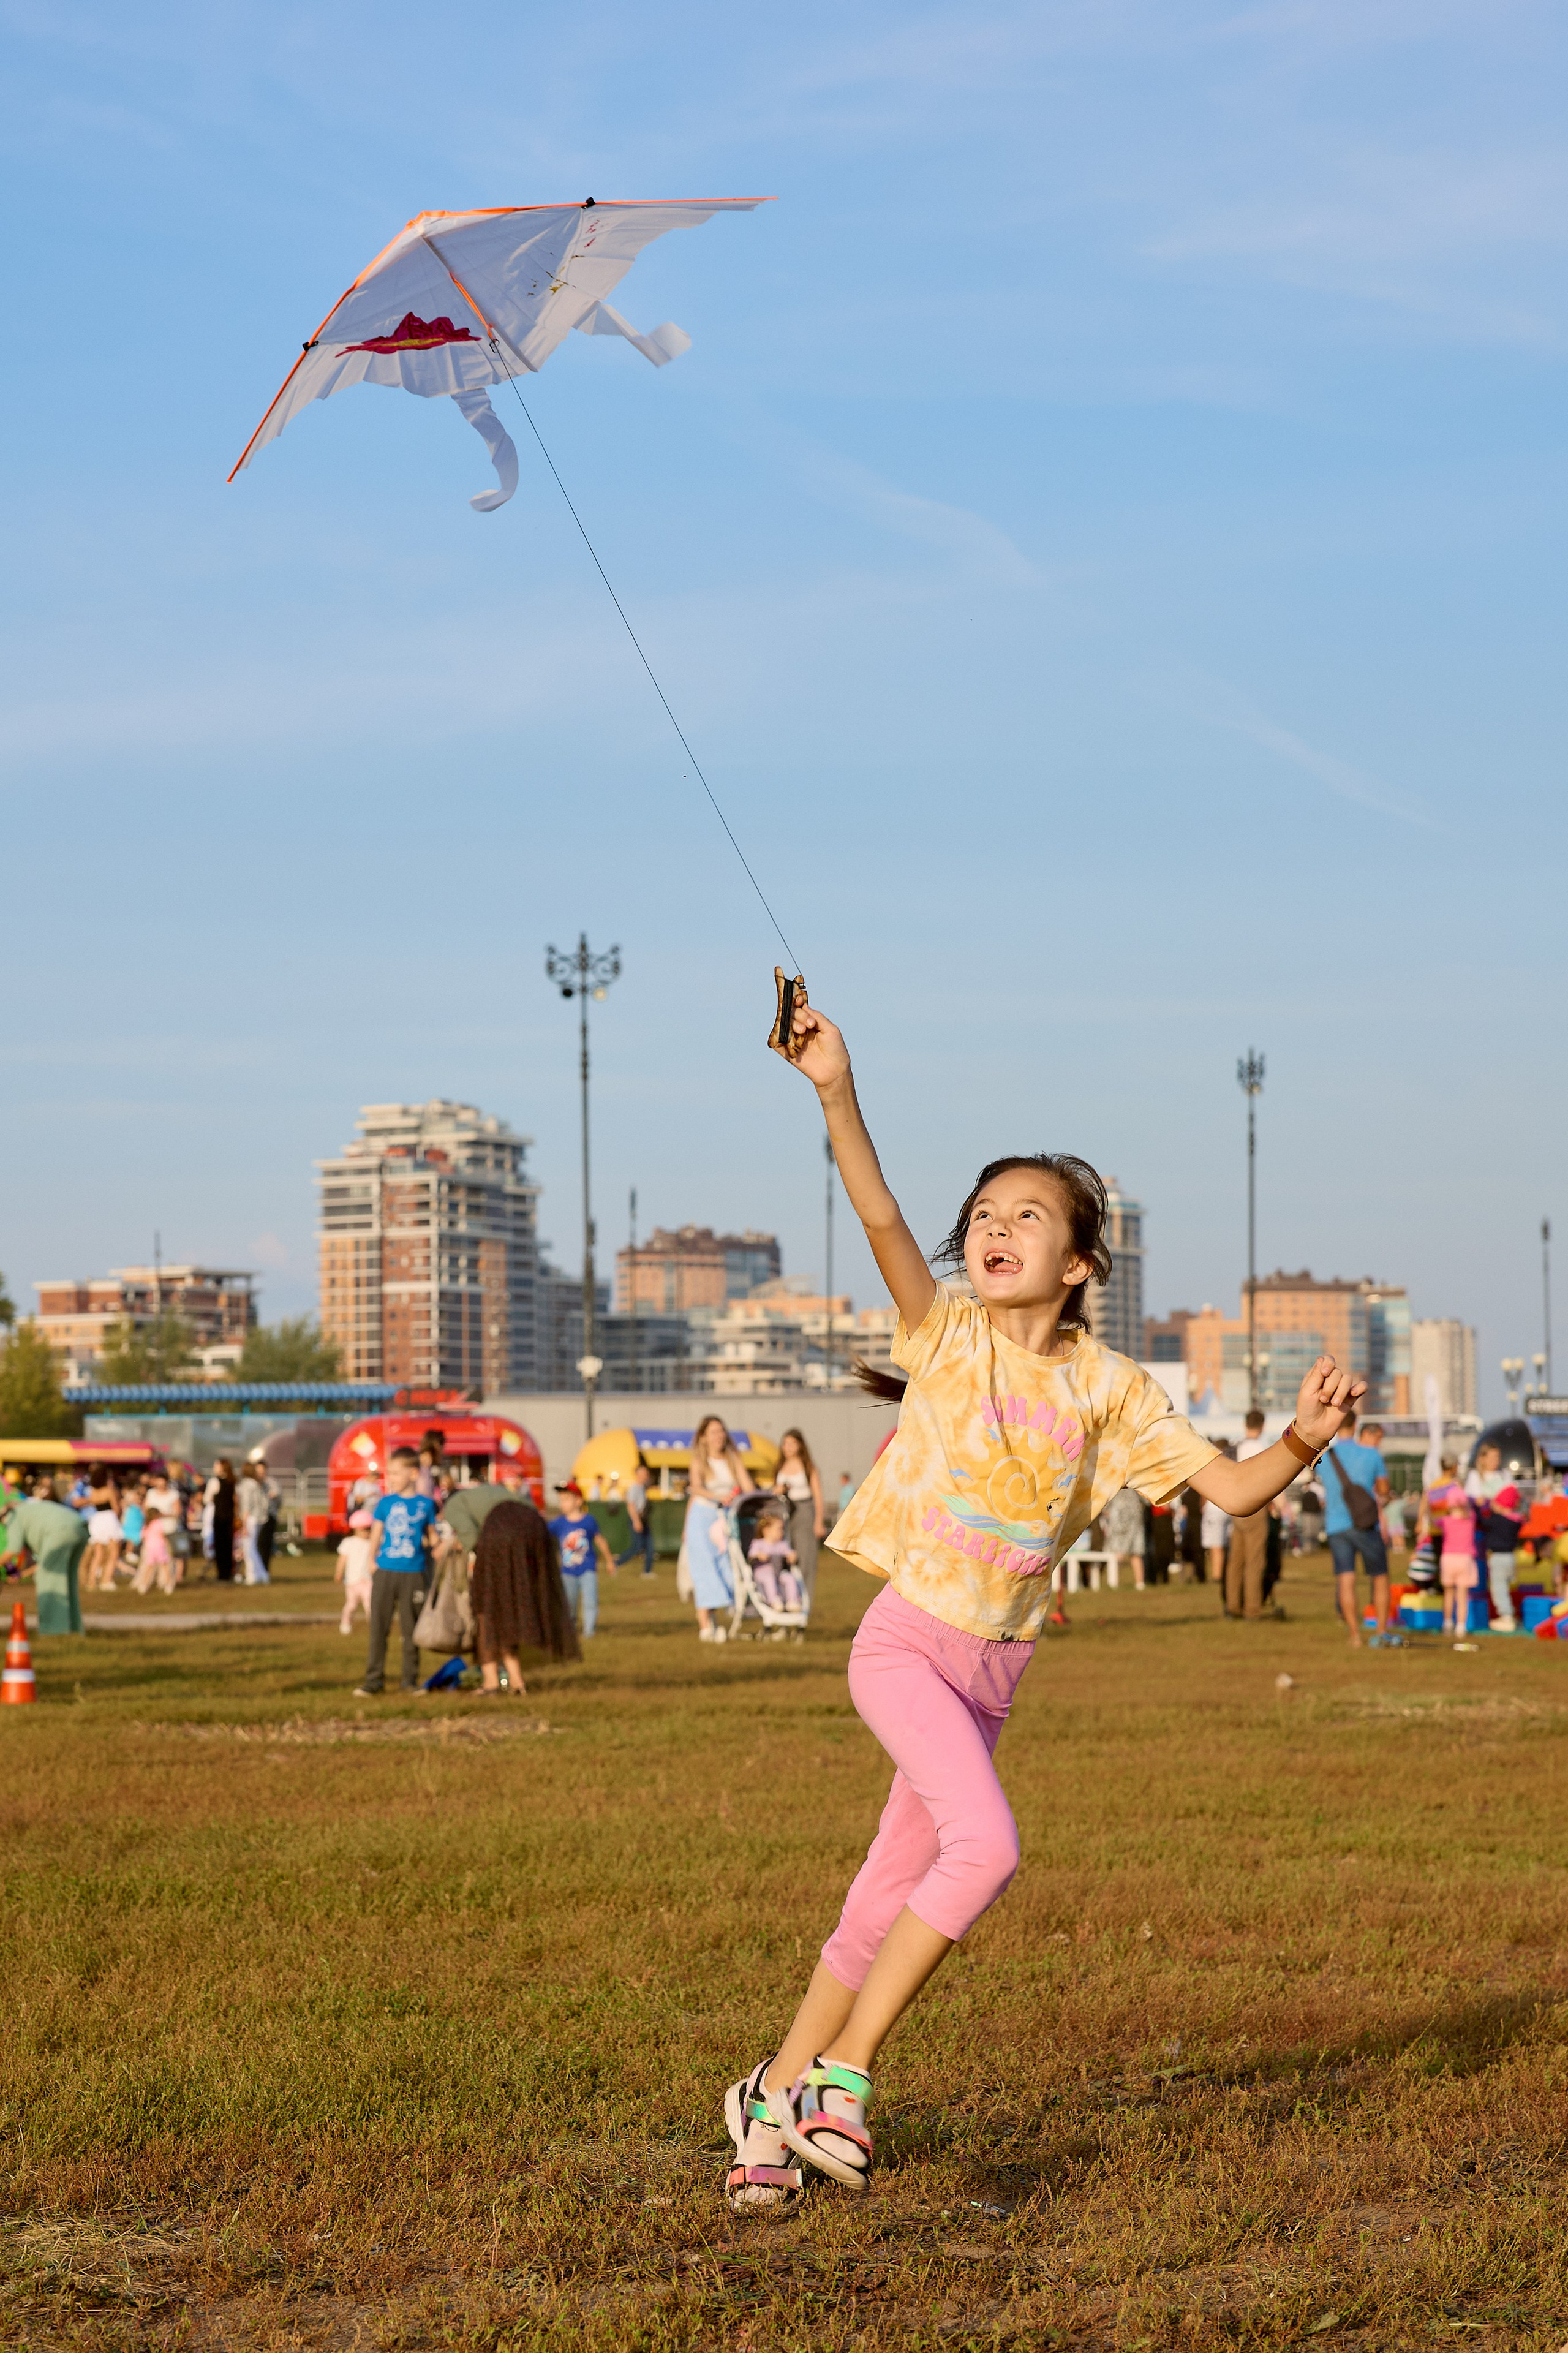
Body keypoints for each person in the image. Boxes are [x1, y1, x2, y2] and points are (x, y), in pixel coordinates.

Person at [718, 981, 1363, 2211]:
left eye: (1027, 1214)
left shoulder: (1114, 1388)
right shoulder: (944, 1334)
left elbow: (1228, 1495)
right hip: (906, 1646)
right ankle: (839, 2078)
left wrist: (1301, 1439)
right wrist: (834, 1084)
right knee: (988, 1846)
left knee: (878, 1899)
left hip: (992, 1675)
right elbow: (876, 1207)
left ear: (1078, 1262)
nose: (993, 1227)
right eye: (984, 1214)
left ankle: (767, 2095)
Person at [470, 1497, 582, 1692]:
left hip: (495, 1551)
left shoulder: (469, 1507)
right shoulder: (522, 1508)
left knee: (487, 1617)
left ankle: (491, 1683)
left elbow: (469, 1540)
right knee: (508, 1620)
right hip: (525, 1543)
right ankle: (517, 1681)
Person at [355, 1448, 437, 1696]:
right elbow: (377, 1533)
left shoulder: (426, 1505)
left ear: (413, 1474)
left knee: (411, 1630)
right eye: (389, 1473)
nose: (390, 1478)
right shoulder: (385, 1503)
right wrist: (371, 1560)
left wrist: (444, 1546)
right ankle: (373, 1680)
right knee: (379, 1627)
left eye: (396, 1473)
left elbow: (432, 1537)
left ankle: (410, 1681)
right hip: (386, 1572)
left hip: (414, 1574)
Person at [1321, 1410, 1393, 1647]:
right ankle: (1381, 1632)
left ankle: (1354, 1636)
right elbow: (1383, 1489)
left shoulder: (1326, 1457)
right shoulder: (1371, 1455)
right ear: (1356, 1426)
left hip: (1336, 1526)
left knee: (1346, 1580)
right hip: (1365, 1524)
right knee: (1380, 1578)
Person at [684, 1418, 754, 1642]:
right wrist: (718, 1497)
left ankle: (717, 1621)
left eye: (722, 1431)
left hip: (724, 1520)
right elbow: (696, 1488)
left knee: (727, 1568)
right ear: (704, 1437)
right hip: (702, 1518)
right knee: (704, 1570)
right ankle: (705, 1626)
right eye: (714, 1432)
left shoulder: (733, 1459)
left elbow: (748, 1487)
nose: (719, 1436)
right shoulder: (699, 1461)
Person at [1, 1475, 89, 1634]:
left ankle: (54, 1630)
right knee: (68, 1581)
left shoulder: (13, 1516)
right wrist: (22, 1574)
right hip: (79, 1527)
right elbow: (42, 1561)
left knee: (49, 1581)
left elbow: (13, 1549)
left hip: (59, 1530)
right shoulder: (28, 1510)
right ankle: (75, 1628)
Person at [1464, 1441, 1525, 1634]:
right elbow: (1473, 1502)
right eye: (1492, 1457)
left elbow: (1513, 1499)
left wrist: (1499, 1507)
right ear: (1482, 1458)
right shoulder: (1475, 1477)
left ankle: (1505, 1614)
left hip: (1497, 1531)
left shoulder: (1504, 1475)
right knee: (1486, 1578)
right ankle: (1494, 1612)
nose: (1496, 1461)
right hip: (1483, 1533)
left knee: (1500, 1581)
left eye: (1498, 1457)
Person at [549, 1482, 616, 1640]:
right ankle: (570, 1631)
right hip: (567, 1572)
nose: (562, 1503)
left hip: (588, 1569)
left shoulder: (588, 1521)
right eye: (561, 1500)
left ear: (578, 1501)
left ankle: (589, 1632)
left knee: (590, 1601)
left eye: (566, 1499)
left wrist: (610, 1561)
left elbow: (600, 1540)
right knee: (569, 1603)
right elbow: (542, 1534)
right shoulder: (559, 1523)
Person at [1225, 1410, 1273, 1621]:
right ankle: (1252, 1608)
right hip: (1256, 1506)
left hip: (1237, 1506)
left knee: (1236, 1559)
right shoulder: (1262, 1449)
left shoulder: (1236, 1447)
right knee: (1255, 1559)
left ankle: (1232, 1604)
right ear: (1262, 1426)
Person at [774, 1430, 826, 1607]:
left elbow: (818, 1497)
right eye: (785, 1443)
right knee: (784, 1560)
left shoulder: (808, 1466)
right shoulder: (779, 1466)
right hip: (784, 1514)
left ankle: (805, 1606)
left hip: (804, 1511)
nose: (788, 1448)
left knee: (805, 1560)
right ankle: (786, 1603)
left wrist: (819, 1521)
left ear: (800, 1445)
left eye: (792, 1443)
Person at [1430, 1454, 1479, 1640]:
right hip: (1465, 1559)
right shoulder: (1471, 1519)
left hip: (1448, 1559)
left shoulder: (1446, 1521)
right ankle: (1461, 1627)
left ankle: (1447, 1623)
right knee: (1462, 1595)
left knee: (1448, 1593)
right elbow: (1470, 1508)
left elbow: (1433, 1520)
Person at [748, 1509, 804, 1612]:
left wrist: (792, 1556)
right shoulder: (759, 1544)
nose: (782, 1532)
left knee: (789, 1578)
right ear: (766, 1530)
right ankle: (774, 1600)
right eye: (779, 1529)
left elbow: (789, 1552)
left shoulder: (781, 1545)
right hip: (762, 1573)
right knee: (769, 1578)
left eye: (782, 1529)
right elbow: (751, 1555)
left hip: (778, 1572)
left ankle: (792, 1601)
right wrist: (759, 1555)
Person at [336, 1509, 376, 1634]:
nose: (368, 1532)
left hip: (368, 1580)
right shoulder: (349, 1543)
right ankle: (346, 1623)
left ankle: (375, 1627)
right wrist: (339, 1573)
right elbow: (342, 1559)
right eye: (365, 1529)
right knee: (351, 1605)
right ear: (356, 1529)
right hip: (353, 1581)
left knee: (370, 1605)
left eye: (369, 1528)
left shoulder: (373, 1543)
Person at [617, 1458, 657, 1577]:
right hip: (637, 1520)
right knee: (637, 1547)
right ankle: (616, 1564)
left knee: (650, 1547)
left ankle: (647, 1572)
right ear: (638, 1474)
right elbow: (631, 1506)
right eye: (644, 1473)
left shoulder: (643, 1488)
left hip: (644, 1520)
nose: (646, 1475)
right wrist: (636, 1521)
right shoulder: (634, 1488)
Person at [1102, 1486, 1147, 1589]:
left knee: (1118, 1553)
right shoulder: (1134, 1481)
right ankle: (1140, 1584)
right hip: (1134, 1516)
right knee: (1136, 1552)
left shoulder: (1114, 1480)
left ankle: (1114, 1583)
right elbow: (1146, 1500)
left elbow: (1105, 1504)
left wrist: (1107, 1511)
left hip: (1118, 1516)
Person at [236, 1459, 271, 1585]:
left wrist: (244, 1525)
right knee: (253, 1547)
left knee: (249, 1548)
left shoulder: (246, 1485)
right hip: (259, 1518)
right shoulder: (256, 1484)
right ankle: (262, 1574)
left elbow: (246, 1505)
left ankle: (252, 1576)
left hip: (250, 1518)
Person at [83, 1500, 123, 1592]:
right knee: (114, 1554)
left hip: (97, 1520)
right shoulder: (109, 1490)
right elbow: (116, 1508)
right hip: (109, 1520)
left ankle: (91, 1582)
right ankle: (106, 1581)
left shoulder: (93, 1492)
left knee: (98, 1555)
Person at [206, 1460, 236, 1582]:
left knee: (220, 1546)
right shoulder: (233, 1481)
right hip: (230, 1518)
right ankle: (229, 1572)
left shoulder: (215, 1481)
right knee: (229, 1546)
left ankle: (222, 1574)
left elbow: (207, 1499)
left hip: (219, 1518)